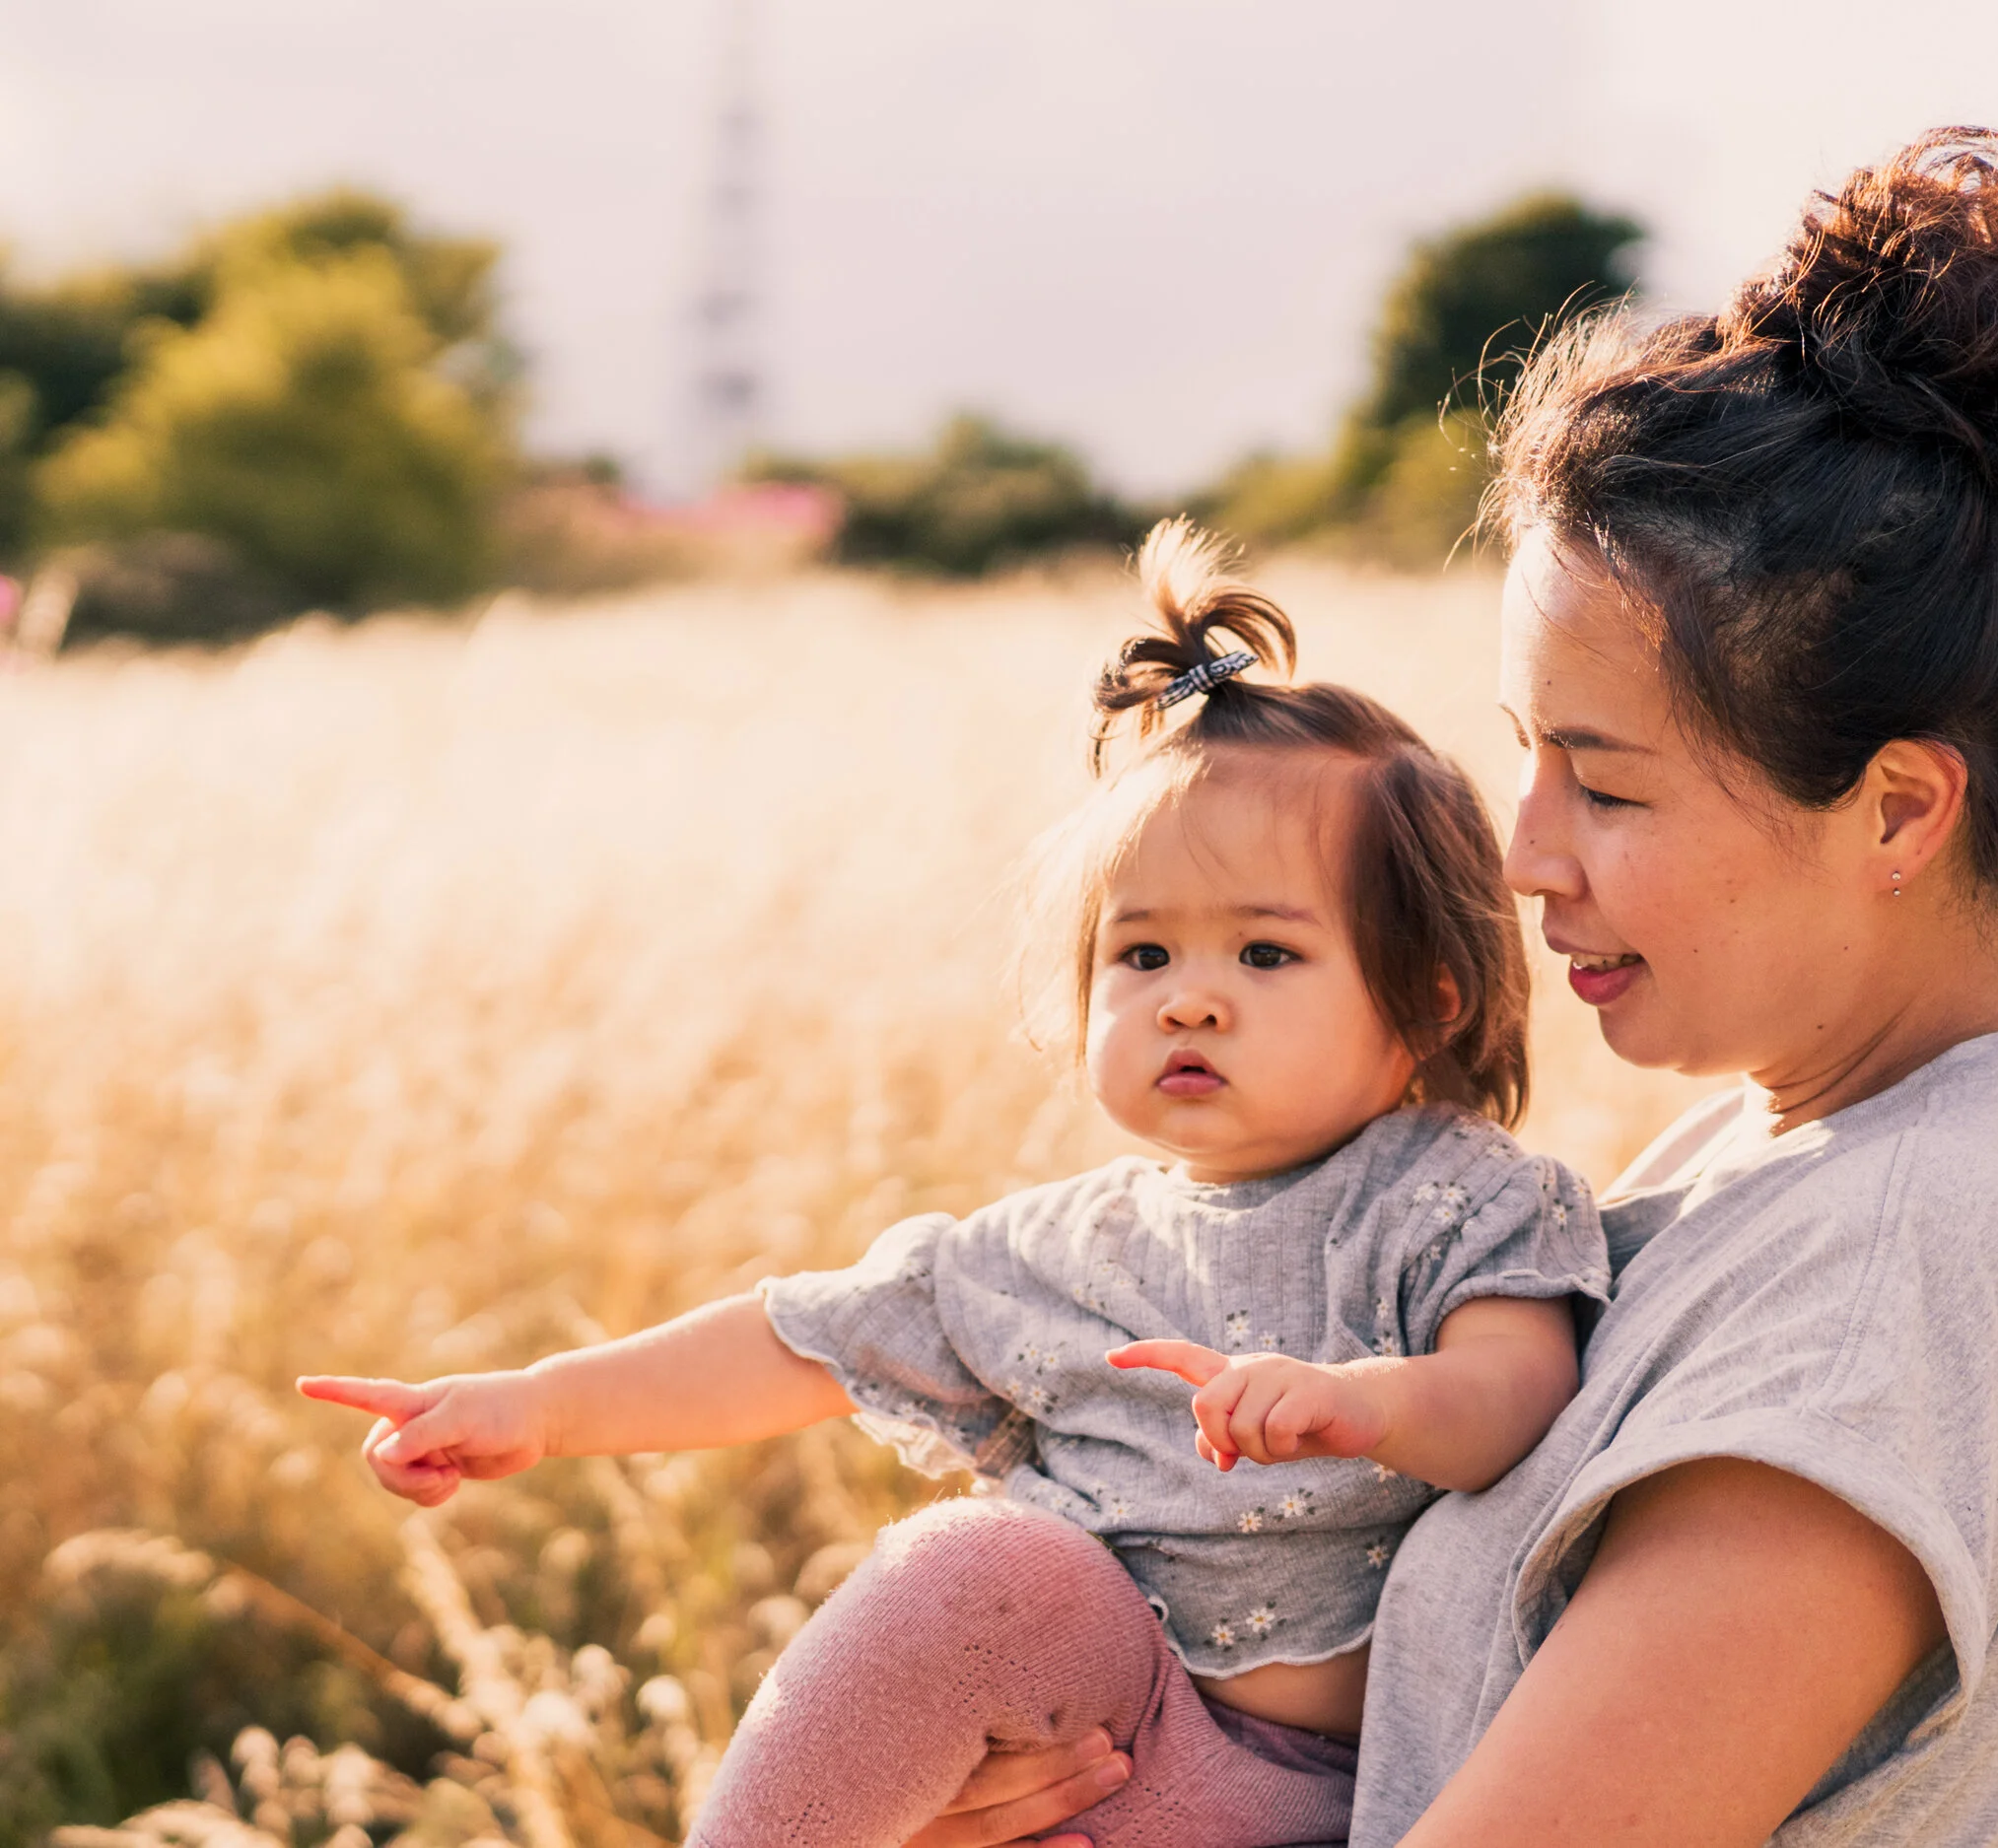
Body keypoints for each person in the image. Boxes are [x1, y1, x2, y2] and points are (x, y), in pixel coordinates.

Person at [915, 128, 1998, 1847]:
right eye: (1529, 760)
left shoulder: (1903, 1258)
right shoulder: (1772, 1158)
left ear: (1897, 807)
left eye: (1607, 783)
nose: (1526, 855)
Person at [299, 519, 1612, 1848]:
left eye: (1266, 957)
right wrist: (538, 1407)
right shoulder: (1054, 1248)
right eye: (1142, 954)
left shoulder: (1459, 1195)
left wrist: (1362, 1402)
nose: (1190, 1003)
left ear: (1431, 994)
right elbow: (797, 1338)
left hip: (1352, 1787)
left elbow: (1519, 1395)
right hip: (1099, 1745)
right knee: (978, 1568)